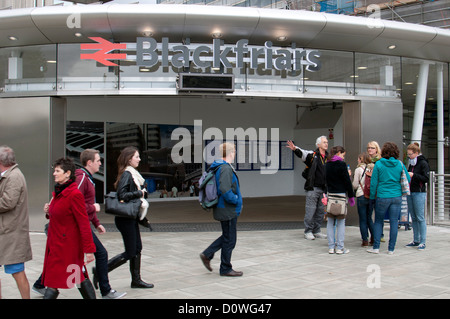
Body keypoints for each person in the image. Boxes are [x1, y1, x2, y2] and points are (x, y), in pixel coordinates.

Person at [41, 158, 96, 299]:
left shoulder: (74, 194)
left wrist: (89, 250)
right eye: (54, 170)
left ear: (67, 174)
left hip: (66, 247)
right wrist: (48, 211)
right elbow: (60, 214)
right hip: (56, 245)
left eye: (57, 171)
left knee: (56, 281)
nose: (54, 173)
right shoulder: (59, 192)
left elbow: (83, 223)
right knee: (76, 277)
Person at [75, 149, 126, 299]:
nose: (100, 163)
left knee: (63, 258)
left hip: (84, 223)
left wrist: (96, 223)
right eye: (98, 160)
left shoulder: (87, 177)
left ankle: (40, 284)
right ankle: (106, 290)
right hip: (78, 225)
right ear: (89, 162)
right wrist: (93, 208)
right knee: (101, 254)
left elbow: (85, 202)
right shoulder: (82, 178)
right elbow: (74, 203)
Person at [107, 146, 153, 288]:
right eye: (137, 157)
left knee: (137, 248)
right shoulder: (127, 174)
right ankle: (101, 270)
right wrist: (140, 194)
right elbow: (122, 195)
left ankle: (136, 280)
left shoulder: (133, 174)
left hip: (131, 218)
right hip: (124, 219)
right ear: (129, 159)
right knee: (131, 251)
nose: (139, 159)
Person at [200, 142, 243, 277]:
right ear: (231, 153)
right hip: (227, 209)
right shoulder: (225, 168)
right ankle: (225, 268)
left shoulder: (220, 166)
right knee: (230, 239)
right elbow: (225, 189)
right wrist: (236, 200)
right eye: (234, 151)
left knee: (227, 237)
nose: (235, 153)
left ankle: (207, 254)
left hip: (224, 208)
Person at [0, 146, 32, 299]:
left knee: (17, 272)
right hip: (6, 233)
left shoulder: (14, 177)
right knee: (17, 272)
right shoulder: (8, 175)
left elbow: (7, 203)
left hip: (11, 234)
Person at [367, 142, 411, 255]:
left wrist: (372, 197)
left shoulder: (379, 164)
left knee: (378, 221)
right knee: (394, 222)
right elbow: (408, 180)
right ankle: (391, 249)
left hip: (382, 196)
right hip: (396, 196)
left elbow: (374, 183)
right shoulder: (400, 164)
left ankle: (376, 247)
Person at [286, 136, 328, 240]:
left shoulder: (329, 157)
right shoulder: (312, 155)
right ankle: (308, 231)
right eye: (324, 142)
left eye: (327, 142)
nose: (326, 144)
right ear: (318, 144)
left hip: (324, 189)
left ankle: (317, 230)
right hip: (313, 188)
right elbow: (303, 153)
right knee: (311, 210)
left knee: (320, 211)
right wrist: (295, 149)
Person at [325, 146, 355, 254]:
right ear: (338, 153)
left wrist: (325, 194)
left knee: (330, 221)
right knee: (341, 222)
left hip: (331, 195)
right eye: (343, 154)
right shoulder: (342, 165)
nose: (343, 157)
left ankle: (331, 247)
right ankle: (340, 247)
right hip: (341, 195)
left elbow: (326, 180)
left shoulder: (327, 165)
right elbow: (347, 181)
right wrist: (351, 196)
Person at [405, 142, 430, 250]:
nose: (409, 156)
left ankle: (422, 241)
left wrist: (414, 175)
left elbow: (426, 178)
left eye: (410, 154)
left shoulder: (423, 163)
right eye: (408, 155)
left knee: (420, 217)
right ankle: (416, 239)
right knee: (414, 217)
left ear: (416, 153)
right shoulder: (411, 164)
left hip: (419, 192)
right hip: (410, 191)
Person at [352, 152, 375, 246]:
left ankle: (365, 240)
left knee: (362, 219)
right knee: (369, 217)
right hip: (371, 196)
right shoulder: (372, 168)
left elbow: (355, 185)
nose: (357, 160)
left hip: (361, 195)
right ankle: (374, 237)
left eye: (358, 158)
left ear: (361, 159)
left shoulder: (358, 169)